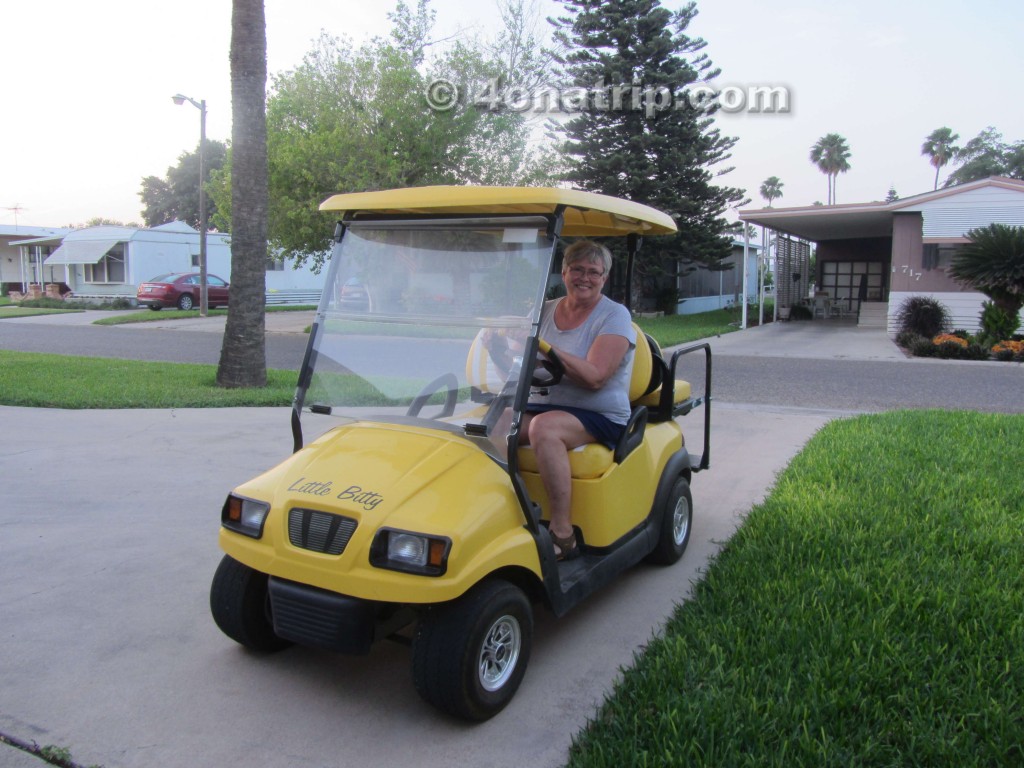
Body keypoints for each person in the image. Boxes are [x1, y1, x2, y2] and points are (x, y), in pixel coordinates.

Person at [521, 240, 636, 560]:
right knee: (493, 424)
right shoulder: (545, 310)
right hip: (542, 401)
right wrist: (501, 342)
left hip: (597, 412)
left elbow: (596, 376)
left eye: (593, 272)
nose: (584, 278)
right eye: (577, 270)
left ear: (604, 278)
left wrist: (545, 347)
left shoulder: (614, 315)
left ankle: (562, 532)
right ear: (564, 271)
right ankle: (508, 513)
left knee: (544, 428)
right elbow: (520, 365)